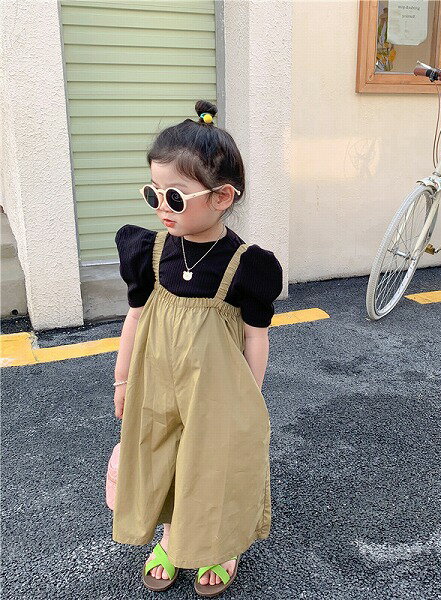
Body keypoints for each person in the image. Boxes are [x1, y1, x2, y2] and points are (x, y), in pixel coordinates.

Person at [111, 99, 283, 596]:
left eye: (176, 197)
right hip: (157, 386)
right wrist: (122, 380)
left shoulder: (246, 266)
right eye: (154, 193)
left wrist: (249, 399)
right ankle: (172, 537)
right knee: (163, 459)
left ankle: (219, 544)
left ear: (223, 196)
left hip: (217, 395)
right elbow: (135, 317)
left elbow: (255, 336)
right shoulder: (150, 252)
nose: (162, 207)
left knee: (212, 466)